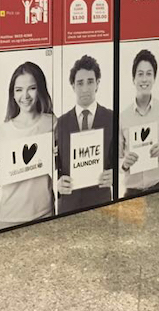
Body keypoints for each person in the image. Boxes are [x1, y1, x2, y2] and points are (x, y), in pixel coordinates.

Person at [0, 62, 56, 229]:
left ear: (40, 90)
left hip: (44, 211)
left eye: (32, 88)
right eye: (19, 89)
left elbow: (61, 165)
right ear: (12, 94)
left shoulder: (51, 122)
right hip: (9, 215)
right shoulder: (1, 132)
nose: (25, 95)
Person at [56, 55, 115, 213]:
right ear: (73, 86)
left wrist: (115, 175)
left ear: (97, 84)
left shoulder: (112, 118)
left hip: (101, 201)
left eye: (90, 82)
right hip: (69, 204)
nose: (85, 89)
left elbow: (119, 156)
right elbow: (54, 165)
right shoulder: (59, 124)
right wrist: (58, 183)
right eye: (80, 83)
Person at [119, 49, 159, 197]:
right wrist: (125, 163)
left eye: (149, 74)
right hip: (131, 191)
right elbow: (117, 158)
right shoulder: (123, 117)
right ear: (134, 79)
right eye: (140, 74)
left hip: (158, 186)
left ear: (154, 78)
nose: (144, 79)